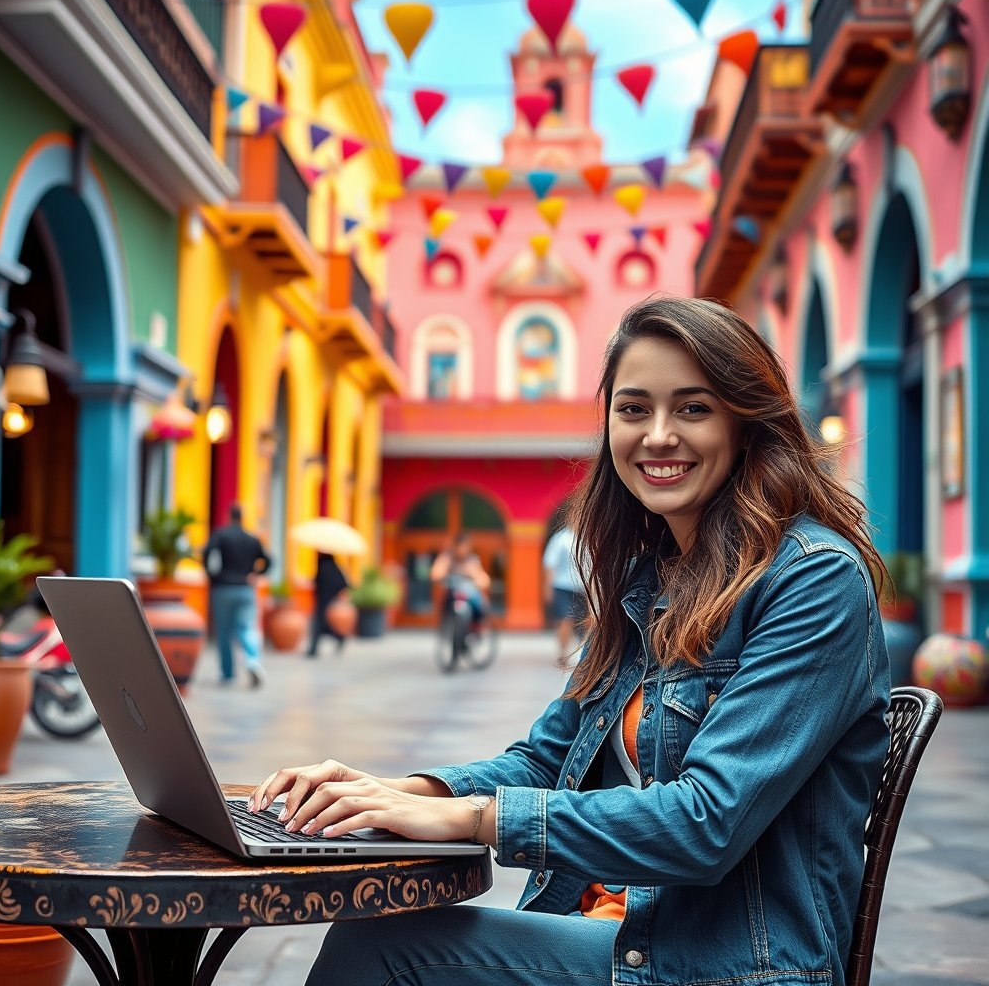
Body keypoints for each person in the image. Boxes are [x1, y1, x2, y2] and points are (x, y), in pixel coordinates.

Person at [249, 295, 892, 986]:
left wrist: (471, 820)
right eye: (634, 408)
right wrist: (393, 792)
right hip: (612, 931)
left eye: (694, 408)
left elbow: (706, 823)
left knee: (377, 949)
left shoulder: (813, 581)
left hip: (720, 965)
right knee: (378, 936)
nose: (659, 435)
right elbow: (550, 757)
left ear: (746, 425)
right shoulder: (650, 580)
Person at [203, 502, 270, 688]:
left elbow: (207, 552)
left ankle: (228, 673)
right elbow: (268, 560)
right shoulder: (252, 539)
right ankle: (252, 661)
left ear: (229, 516)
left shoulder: (221, 535)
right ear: (242, 517)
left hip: (222, 588)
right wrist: (257, 574)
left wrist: (212, 575)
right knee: (246, 628)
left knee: (224, 632)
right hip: (245, 588)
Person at [542, 522, 588, 662]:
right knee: (565, 620)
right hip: (562, 586)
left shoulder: (587, 538)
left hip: (581, 588)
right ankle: (563, 653)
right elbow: (550, 564)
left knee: (584, 622)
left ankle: (587, 656)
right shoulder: (560, 538)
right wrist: (547, 587)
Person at [429, 531, 491, 628]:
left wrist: (475, 577)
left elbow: (484, 579)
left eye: (466, 546)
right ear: (455, 546)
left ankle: (476, 624)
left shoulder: (472, 560)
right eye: (461, 546)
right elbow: (436, 573)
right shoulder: (447, 558)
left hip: (469, 594)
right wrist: (442, 574)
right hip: (452, 593)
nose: (463, 549)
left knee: (480, 603)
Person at [307, 552, 351, 658]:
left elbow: (317, 584)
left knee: (319, 626)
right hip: (332, 602)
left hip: (322, 602)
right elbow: (344, 584)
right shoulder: (336, 568)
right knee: (324, 626)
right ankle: (339, 638)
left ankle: (313, 649)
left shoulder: (322, 567)